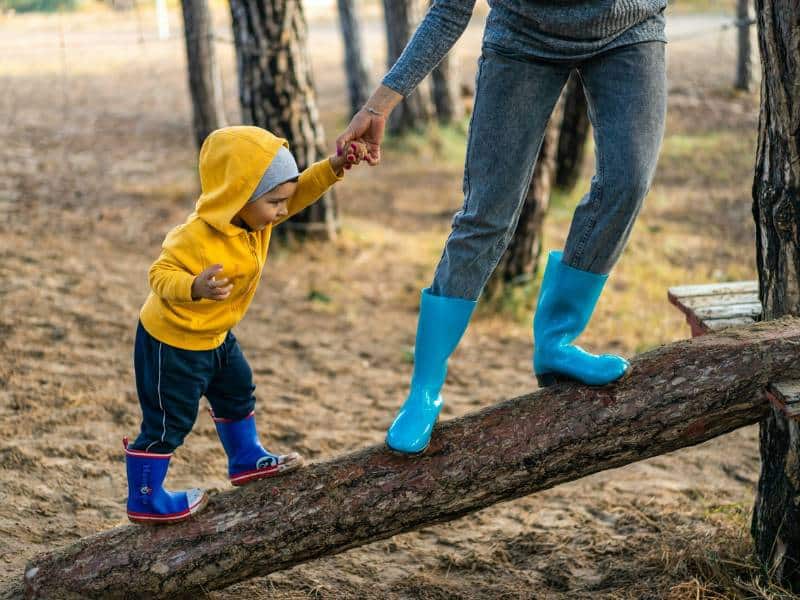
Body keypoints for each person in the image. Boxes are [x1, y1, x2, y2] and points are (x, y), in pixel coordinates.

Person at [336, 1, 668, 455]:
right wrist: (382, 102)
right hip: (523, 37)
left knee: (627, 184)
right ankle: (424, 390)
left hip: (631, 27)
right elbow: (449, 9)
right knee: (486, 215)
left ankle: (557, 342)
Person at [125, 125, 367, 523]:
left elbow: (300, 191)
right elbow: (158, 274)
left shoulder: (257, 218)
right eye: (274, 202)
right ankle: (145, 497)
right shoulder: (195, 236)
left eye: (283, 201)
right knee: (170, 420)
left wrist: (335, 166)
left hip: (217, 336)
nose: (283, 211)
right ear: (238, 196)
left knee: (238, 389)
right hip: (174, 342)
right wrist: (193, 286)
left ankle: (245, 458)